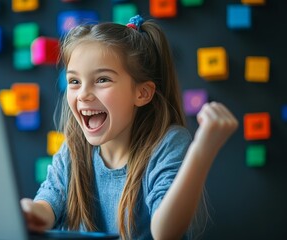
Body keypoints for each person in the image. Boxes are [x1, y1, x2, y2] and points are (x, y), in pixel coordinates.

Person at [20, 15, 238, 239]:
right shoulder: (73, 148)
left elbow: (165, 232)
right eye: (74, 81)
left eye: (102, 79)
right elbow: (46, 207)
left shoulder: (168, 143)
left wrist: (201, 151)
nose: (83, 94)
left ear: (142, 93)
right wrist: (28, 211)